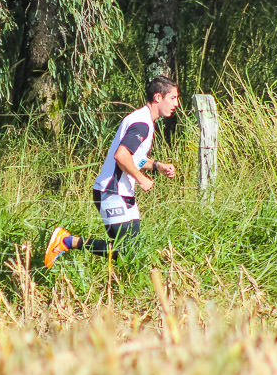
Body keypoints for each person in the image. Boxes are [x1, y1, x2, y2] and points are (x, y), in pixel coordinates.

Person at [44, 76, 179, 269]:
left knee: (131, 252)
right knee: (126, 251)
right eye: (173, 98)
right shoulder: (142, 123)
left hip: (124, 194)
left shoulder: (144, 120)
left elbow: (133, 158)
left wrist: (157, 165)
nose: (177, 103)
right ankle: (66, 241)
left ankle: (116, 285)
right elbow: (121, 156)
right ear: (158, 97)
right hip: (111, 192)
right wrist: (141, 178)